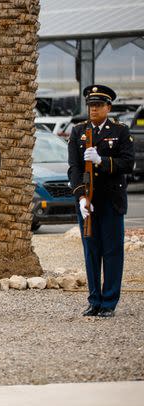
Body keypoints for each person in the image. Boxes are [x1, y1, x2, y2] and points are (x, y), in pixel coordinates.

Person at [68, 85, 134, 318]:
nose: (93, 109)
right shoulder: (79, 132)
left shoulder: (120, 131)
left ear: (108, 107)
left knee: (112, 251)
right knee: (91, 251)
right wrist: (81, 197)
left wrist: (101, 161)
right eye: (91, 105)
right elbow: (74, 168)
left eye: (98, 105)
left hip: (111, 200)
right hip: (88, 202)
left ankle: (109, 302)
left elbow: (128, 163)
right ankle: (94, 299)